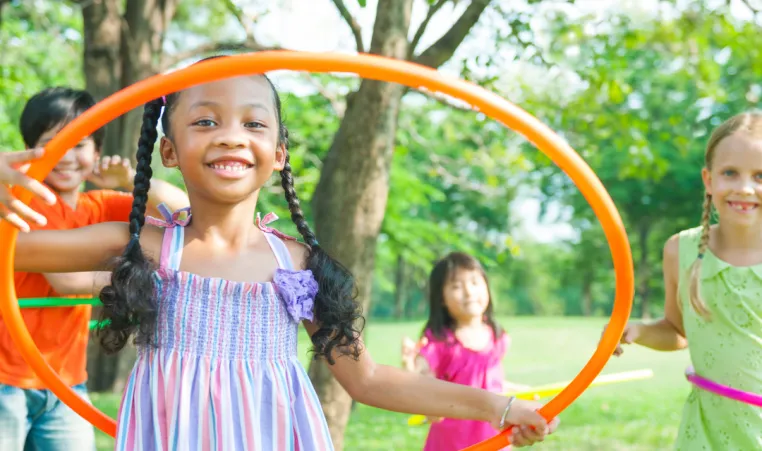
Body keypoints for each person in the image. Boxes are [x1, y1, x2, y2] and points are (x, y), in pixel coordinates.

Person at [0, 65, 559, 450]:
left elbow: (369, 380)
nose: (230, 137)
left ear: (278, 152)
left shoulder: (297, 266)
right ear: (168, 150)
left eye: (253, 123)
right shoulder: (142, 245)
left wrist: (499, 407)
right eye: (204, 121)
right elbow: (11, 251)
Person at [0, 87, 188, 451]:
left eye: (80, 144)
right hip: (7, 377)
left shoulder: (98, 205)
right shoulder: (24, 203)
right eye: (54, 143)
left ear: (97, 152)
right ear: (29, 153)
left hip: (66, 379)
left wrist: (132, 180)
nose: (67, 156)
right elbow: (66, 282)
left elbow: (181, 211)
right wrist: (145, 282)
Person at [606, 111, 762, 450]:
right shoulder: (682, 250)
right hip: (706, 434)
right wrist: (640, 331)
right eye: (730, 173)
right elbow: (680, 334)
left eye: (760, 176)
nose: (745, 188)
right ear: (708, 180)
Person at [402, 252, 532, 450]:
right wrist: (410, 367)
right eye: (456, 286)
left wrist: (520, 392)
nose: (469, 292)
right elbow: (428, 398)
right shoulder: (438, 343)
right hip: (452, 444)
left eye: (474, 282)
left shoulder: (497, 337)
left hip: (496, 442)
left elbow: (488, 382)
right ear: (441, 298)